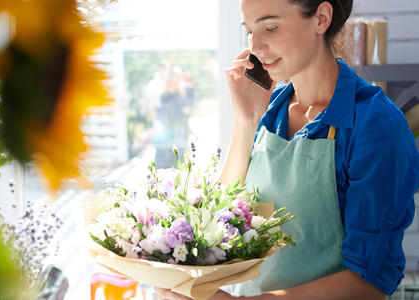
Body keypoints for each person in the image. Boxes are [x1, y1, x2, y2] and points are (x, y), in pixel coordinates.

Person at [156, 0, 419, 299]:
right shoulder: (271, 107)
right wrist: (245, 121)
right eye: (249, 31)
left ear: (321, 18)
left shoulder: (376, 125)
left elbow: (368, 284)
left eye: (270, 27)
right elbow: (223, 214)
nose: (255, 46)